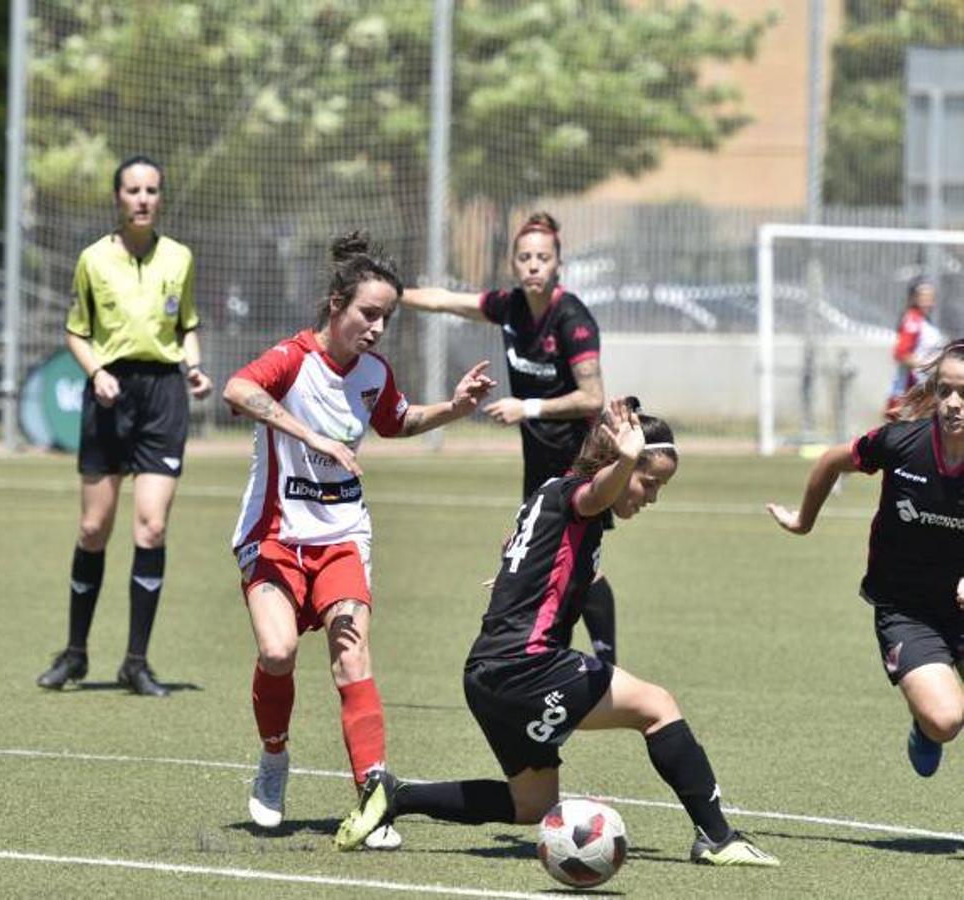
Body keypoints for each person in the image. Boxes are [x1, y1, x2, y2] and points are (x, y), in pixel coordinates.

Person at [335, 398, 779, 867]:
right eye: (649, 482)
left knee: (532, 804)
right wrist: (626, 456)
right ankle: (718, 838)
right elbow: (594, 496)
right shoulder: (579, 498)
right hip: (527, 666)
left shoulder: (551, 492)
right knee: (657, 706)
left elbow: (523, 551)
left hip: (487, 675)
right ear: (617, 465)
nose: (652, 497)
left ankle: (395, 796)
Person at [223, 231, 496, 850]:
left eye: (386, 318)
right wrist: (312, 436)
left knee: (352, 655)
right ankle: (274, 759)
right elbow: (238, 390)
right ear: (336, 304)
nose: (376, 328)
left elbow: (396, 421)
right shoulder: (292, 359)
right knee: (277, 653)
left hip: (343, 537)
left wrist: (455, 407)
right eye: (368, 313)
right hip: (274, 536)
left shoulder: (373, 373)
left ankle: (373, 800)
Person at [401, 212, 618, 664]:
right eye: (525, 258)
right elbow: (444, 300)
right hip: (539, 458)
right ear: (513, 265)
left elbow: (593, 397)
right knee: (535, 551)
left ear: (559, 264)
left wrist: (528, 407)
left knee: (579, 564)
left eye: (543, 257)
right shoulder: (510, 306)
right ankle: (548, 648)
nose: (533, 265)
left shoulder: (572, 319)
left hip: (581, 458)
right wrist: (390, 294)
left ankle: (600, 656)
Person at [36, 155, 213, 698]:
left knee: (151, 528)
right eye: (133, 189)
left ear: (160, 198)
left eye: (151, 190)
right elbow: (76, 332)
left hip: (162, 395)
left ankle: (136, 662)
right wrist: (96, 373)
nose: (142, 198)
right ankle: (75, 653)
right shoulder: (92, 260)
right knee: (94, 529)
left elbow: (185, 326)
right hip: (110, 395)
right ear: (117, 197)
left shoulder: (179, 258)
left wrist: (195, 366)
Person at [769, 339, 964, 777]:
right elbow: (830, 461)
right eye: (946, 390)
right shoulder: (902, 444)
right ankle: (926, 725)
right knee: (945, 719)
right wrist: (803, 521)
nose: (953, 404)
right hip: (908, 610)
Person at [886, 278, 945, 418]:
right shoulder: (912, 319)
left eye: (930, 297)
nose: (928, 301)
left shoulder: (926, 321)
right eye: (923, 297)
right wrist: (929, 365)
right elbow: (901, 353)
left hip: (924, 390)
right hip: (910, 391)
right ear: (914, 298)